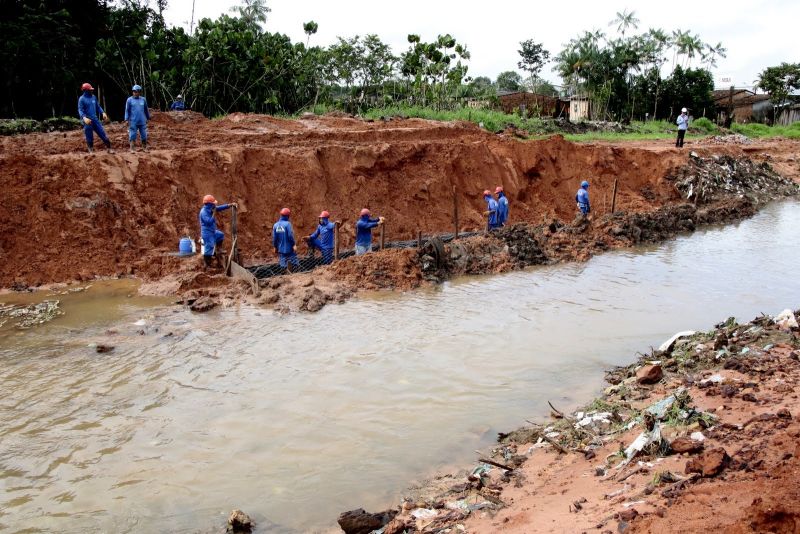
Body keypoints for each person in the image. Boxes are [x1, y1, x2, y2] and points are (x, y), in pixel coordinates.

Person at [198, 194, 236, 269]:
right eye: (213, 203)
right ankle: (207, 265)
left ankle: (219, 249)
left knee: (220, 235)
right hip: (207, 233)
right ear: (210, 204)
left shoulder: (210, 208)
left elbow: (219, 208)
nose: (214, 205)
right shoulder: (204, 212)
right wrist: (214, 213)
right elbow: (209, 222)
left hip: (212, 231)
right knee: (209, 248)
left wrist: (229, 205)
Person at [77, 83, 114, 154]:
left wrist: (103, 112)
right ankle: (91, 151)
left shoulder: (93, 97)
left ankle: (109, 149)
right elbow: (80, 110)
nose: (91, 91)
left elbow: (98, 106)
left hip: (95, 119)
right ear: (85, 91)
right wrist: (84, 118)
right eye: (90, 90)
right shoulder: (81, 99)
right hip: (88, 121)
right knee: (89, 136)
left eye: (91, 90)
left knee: (102, 133)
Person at [125, 84, 151, 152]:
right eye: (134, 91)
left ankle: (144, 148)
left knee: (144, 134)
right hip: (133, 121)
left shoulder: (143, 100)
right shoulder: (129, 100)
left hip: (142, 121)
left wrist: (148, 117)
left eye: (137, 92)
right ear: (132, 92)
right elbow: (127, 110)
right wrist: (126, 119)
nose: (135, 93)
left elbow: (146, 109)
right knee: (132, 134)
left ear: (139, 92)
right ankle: (132, 148)